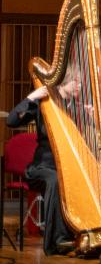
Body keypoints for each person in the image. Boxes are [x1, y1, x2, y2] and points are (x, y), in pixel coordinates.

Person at [6, 77, 82, 254]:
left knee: (80, 180)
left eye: (80, 82)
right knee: (55, 180)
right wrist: (31, 97)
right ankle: (58, 241)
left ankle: (81, 232)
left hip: (69, 168)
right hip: (42, 168)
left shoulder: (77, 109)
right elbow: (11, 121)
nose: (80, 86)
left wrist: (93, 119)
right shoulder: (43, 104)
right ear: (63, 83)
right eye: (76, 81)